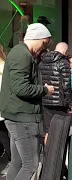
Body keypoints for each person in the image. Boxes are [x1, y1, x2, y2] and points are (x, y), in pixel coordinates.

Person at [0, 23, 54, 180]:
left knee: (18, 163)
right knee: (30, 165)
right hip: (22, 118)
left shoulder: (22, 53)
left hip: (19, 116)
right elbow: (21, 89)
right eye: (44, 43)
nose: (43, 48)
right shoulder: (22, 54)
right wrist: (45, 90)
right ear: (37, 38)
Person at [39, 42, 72, 144]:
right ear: (65, 51)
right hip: (60, 103)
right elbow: (66, 86)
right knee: (60, 132)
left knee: (48, 131)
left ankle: (47, 155)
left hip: (45, 100)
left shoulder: (42, 61)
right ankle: (57, 157)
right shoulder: (63, 62)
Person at [0, 44, 11, 176]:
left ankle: (11, 160)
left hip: (3, 107)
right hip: (5, 106)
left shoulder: (3, 66)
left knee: (4, 136)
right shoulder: (5, 64)